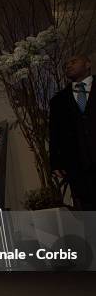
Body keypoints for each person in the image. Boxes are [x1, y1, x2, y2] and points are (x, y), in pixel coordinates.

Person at [49, 54, 95, 210]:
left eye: (74, 61)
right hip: (78, 166)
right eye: (66, 64)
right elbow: (55, 133)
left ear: (88, 64)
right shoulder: (58, 100)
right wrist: (56, 162)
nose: (68, 65)